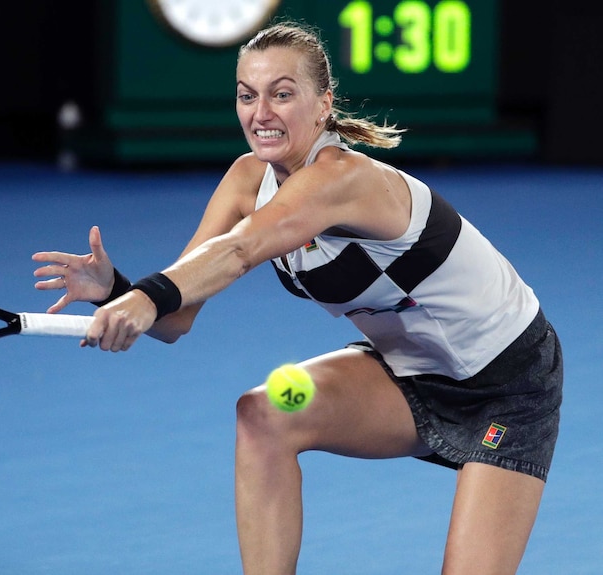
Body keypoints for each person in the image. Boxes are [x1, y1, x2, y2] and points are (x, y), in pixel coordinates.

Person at [32, 22, 562, 575]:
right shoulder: (246, 180)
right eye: (247, 95)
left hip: (509, 383)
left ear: (323, 104)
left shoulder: (342, 178)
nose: (261, 112)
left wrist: (144, 298)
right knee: (263, 415)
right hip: (409, 373)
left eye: (282, 94)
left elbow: (240, 250)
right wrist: (118, 291)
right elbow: (177, 317)